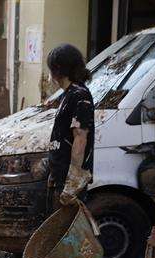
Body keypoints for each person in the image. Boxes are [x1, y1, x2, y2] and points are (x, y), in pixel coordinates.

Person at [45, 44, 94, 207]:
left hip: (68, 181)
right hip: (60, 177)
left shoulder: (80, 95)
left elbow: (80, 138)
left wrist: (72, 183)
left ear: (57, 69)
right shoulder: (68, 94)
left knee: (69, 223)